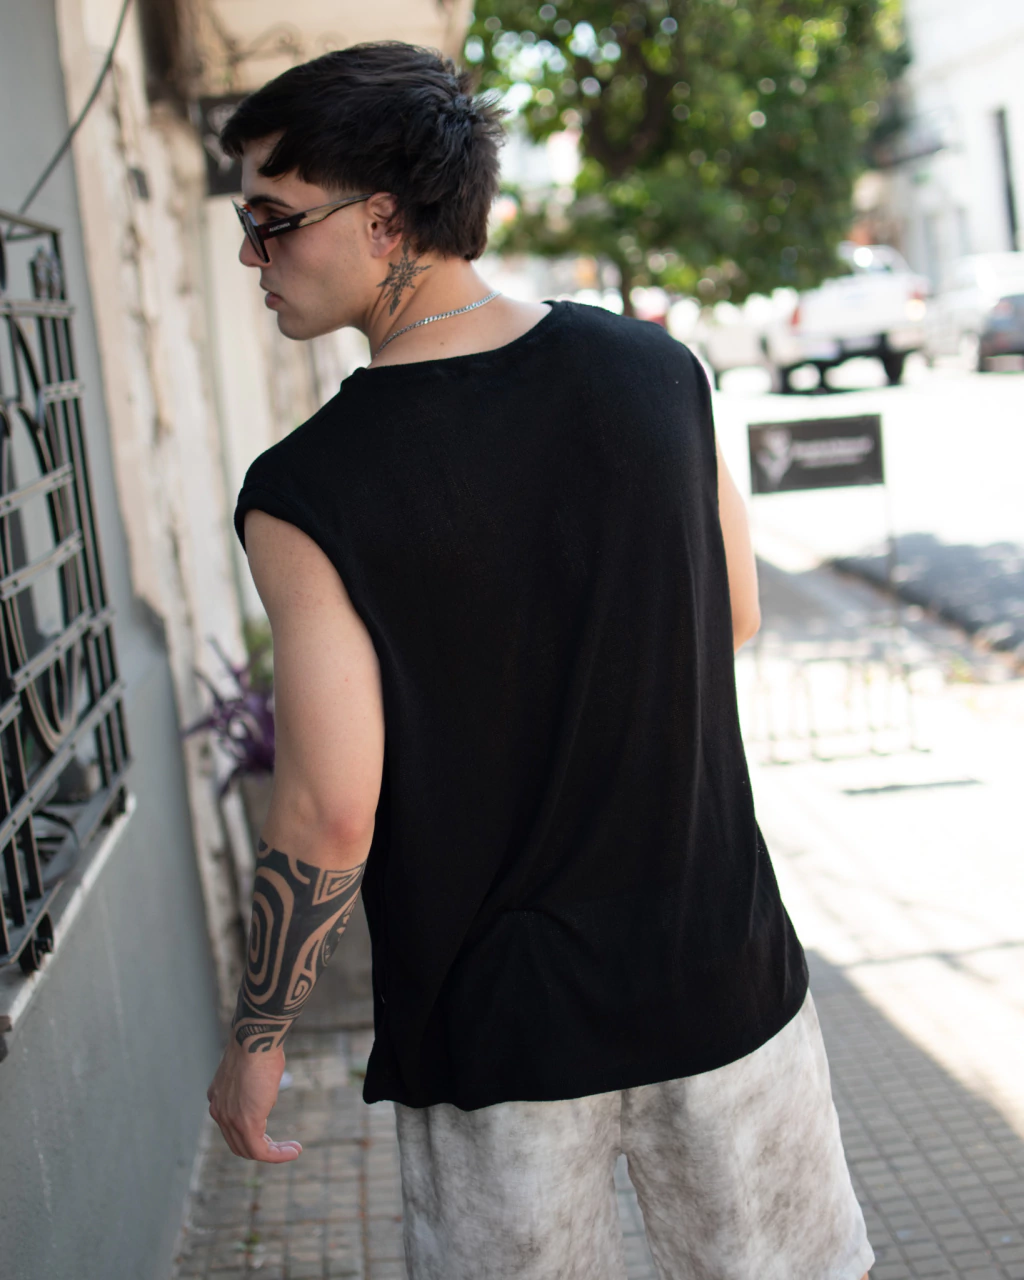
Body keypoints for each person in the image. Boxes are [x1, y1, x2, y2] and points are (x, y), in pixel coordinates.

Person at [205, 40, 873, 1280]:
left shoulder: (307, 490)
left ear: (385, 218)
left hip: (497, 1026)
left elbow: (330, 807)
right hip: (716, 969)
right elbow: (730, 611)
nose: (252, 254)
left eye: (272, 219)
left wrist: (259, 1032)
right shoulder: (656, 372)